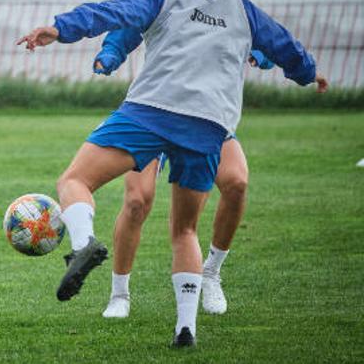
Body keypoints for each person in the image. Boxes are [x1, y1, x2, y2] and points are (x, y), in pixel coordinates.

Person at [17, 0, 327, 348]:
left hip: (152, 110)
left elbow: (114, 10)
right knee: (184, 230)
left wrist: (59, 28)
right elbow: (282, 43)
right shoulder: (238, 2)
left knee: (74, 179)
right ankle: (186, 328)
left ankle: (83, 244)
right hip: (208, 125)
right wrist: (307, 73)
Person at [93, 31, 274, 318]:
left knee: (237, 182)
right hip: (153, 113)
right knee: (137, 202)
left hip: (203, 115)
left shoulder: (220, 0)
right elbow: (132, 19)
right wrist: (110, 54)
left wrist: (260, 54)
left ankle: (211, 273)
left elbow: (261, 33)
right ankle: (119, 294)